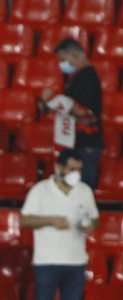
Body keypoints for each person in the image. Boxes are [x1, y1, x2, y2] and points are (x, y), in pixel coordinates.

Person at [20, 148, 97, 300]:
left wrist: (90, 225)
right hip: (47, 261)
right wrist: (51, 221)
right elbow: (25, 220)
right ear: (60, 168)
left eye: (79, 170)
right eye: (72, 169)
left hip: (76, 262)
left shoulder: (85, 191)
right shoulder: (40, 190)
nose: (76, 174)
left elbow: (95, 219)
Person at [45, 38, 104, 189]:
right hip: (76, 141)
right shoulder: (77, 78)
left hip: (86, 143)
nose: (61, 64)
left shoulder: (89, 78)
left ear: (74, 55)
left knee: (82, 191)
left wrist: (53, 100)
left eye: (63, 59)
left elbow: (85, 113)